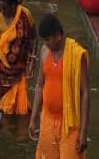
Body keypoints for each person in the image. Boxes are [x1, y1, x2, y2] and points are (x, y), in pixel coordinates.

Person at [29, 14, 89, 158]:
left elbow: (85, 93)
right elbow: (39, 86)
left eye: (48, 40)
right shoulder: (45, 52)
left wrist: (83, 132)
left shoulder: (76, 55)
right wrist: (33, 118)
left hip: (70, 123)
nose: (46, 44)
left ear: (58, 36)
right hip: (47, 120)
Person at [0, 0, 36, 115]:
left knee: (21, 107)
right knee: (5, 105)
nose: (2, 11)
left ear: (13, 5)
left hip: (21, 68)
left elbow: (34, 37)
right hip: (2, 70)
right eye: (0, 7)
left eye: (5, 7)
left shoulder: (25, 14)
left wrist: (32, 59)